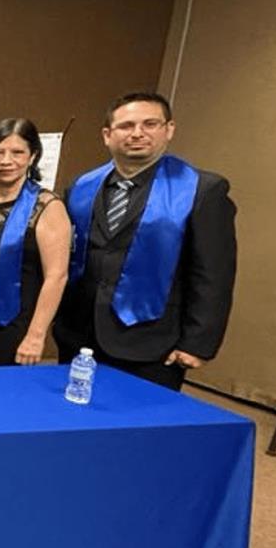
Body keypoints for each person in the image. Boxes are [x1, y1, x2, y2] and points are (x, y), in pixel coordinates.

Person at [54, 92, 236, 390]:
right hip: (79, 333)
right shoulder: (81, 187)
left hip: (151, 341)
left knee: (137, 427)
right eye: (126, 126)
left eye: (150, 124)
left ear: (169, 129)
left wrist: (198, 342)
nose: (137, 133)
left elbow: (213, 273)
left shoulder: (201, 190)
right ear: (107, 135)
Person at [0, 119, 72, 366]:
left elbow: (57, 276)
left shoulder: (47, 206)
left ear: (33, 157)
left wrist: (36, 335)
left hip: (14, 327)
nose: (6, 161)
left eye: (17, 152)